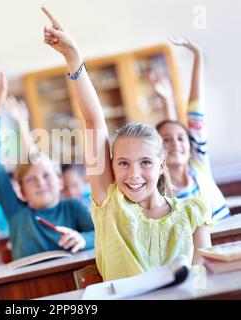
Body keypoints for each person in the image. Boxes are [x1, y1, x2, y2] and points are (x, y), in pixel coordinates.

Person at [41, 7, 212, 281]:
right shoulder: (110, 203)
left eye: (145, 162)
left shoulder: (193, 212)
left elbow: (204, 281)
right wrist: (74, 59)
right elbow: (93, 122)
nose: (133, 174)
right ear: (110, 166)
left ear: (161, 166)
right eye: (123, 163)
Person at [0, 71, 95, 260]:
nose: (40, 182)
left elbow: (100, 236)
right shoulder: (16, 212)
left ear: (60, 182)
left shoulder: (74, 208)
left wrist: (83, 239)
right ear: (22, 191)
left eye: (46, 176)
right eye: (31, 179)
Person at [154, 35, 230, 220]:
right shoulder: (160, 188)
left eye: (181, 138)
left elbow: (196, 112)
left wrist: (197, 55)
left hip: (227, 237)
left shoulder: (199, 163)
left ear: (190, 144)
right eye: (166, 140)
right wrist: (166, 100)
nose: (175, 144)